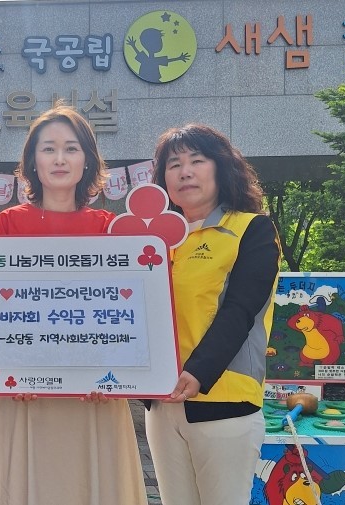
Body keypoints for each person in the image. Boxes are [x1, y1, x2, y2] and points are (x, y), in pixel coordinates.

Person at [0, 104, 148, 505]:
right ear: (33, 161)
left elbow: (127, 319)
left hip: (96, 397)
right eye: (48, 149)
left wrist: (115, 375)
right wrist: (9, 372)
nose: (60, 159)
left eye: (71, 148)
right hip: (21, 395)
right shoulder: (6, 225)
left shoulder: (111, 230)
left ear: (88, 160)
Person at [145, 123, 281, 505]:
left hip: (225, 404)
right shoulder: (154, 241)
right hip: (162, 405)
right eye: (174, 164)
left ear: (221, 167)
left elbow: (241, 310)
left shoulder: (252, 229)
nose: (185, 172)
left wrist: (199, 372)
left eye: (197, 160)